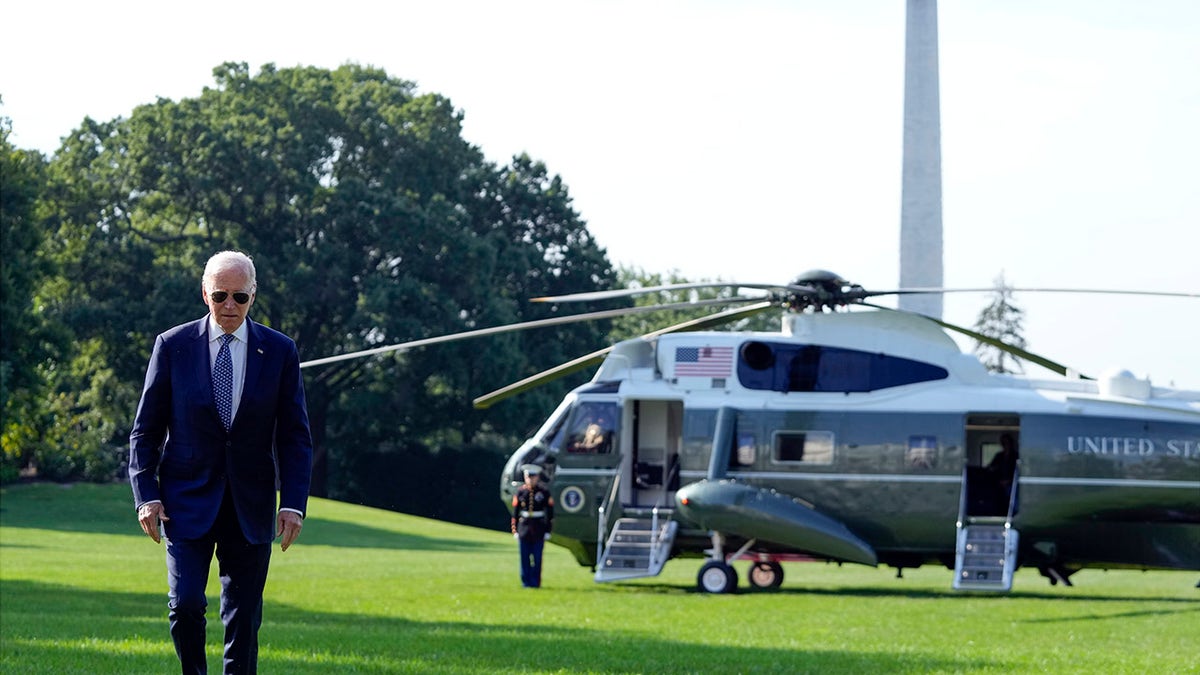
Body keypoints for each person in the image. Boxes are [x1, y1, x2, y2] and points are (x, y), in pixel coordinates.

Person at [129, 250, 314, 674]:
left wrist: (293, 503)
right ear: (204, 293)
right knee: (186, 604)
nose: (229, 306)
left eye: (239, 297)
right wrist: (146, 496)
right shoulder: (171, 346)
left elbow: (295, 436)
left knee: (244, 619)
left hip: (250, 506)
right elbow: (145, 431)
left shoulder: (280, 351)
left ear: (253, 295)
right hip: (184, 503)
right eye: (219, 296)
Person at [511, 464, 554, 588]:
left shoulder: (544, 492)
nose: (530, 479)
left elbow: (549, 514)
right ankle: (526, 582)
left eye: (533, 477)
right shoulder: (520, 492)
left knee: (537, 558)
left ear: (537, 477)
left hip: (539, 528)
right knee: (524, 557)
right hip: (524, 528)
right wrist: (515, 530)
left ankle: (535, 582)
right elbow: (515, 513)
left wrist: (548, 530)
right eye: (528, 477)